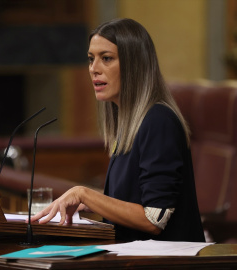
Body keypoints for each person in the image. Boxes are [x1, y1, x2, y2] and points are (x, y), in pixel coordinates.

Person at [30, 18, 205, 242]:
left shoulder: (158, 120)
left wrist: (84, 193)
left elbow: (154, 219)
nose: (94, 69)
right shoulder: (129, 122)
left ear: (135, 65)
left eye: (106, 59)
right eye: (91, 59)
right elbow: (136, 200)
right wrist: (93, 204)